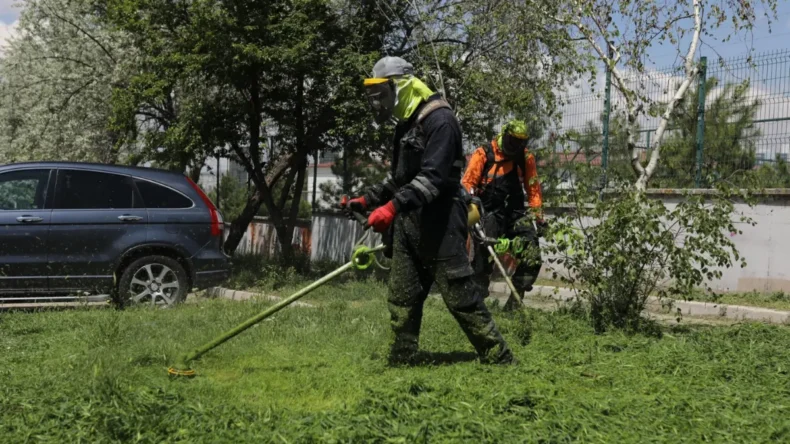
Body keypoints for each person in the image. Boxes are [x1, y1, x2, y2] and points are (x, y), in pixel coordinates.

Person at [341, 56, 512, 365]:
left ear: (401, 86)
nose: (377, 101)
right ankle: (401, 359)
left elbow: (432, 179)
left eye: (381, 92)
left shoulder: (441, 121)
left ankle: (499, 358)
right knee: (402, 297)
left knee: (461, 297)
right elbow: (400, 179)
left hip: (441, 221)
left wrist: (390, 209)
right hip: (410, 223)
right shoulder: (407, 124)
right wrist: (367, 201)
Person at [461, 120, 546, 309]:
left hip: (515, 214)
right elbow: (467, 185)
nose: (516, 147)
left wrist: (538, 218)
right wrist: (471, 205)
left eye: (520, 143)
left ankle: (514, 304)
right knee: (482, 258)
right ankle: (476, 306)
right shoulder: (484, 154)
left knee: (532, 254)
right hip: (488, 213)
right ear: (505, 136)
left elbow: (533, 190)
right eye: (513, 141)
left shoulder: (525, 158)